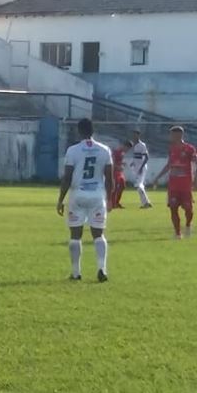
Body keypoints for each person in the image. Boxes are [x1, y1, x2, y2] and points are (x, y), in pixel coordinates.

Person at [56, 118, 113, 283]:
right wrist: (110, 199)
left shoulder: (73, 150)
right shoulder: (104, 150)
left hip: (78, 195)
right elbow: (109, 178)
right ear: (93, 131)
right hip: (97, 196)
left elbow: (67, 177)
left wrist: (60, 200)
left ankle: (76, 273)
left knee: (75, 235)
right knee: (98, 234)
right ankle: (102, 268)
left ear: (79, 131)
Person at [151, 126, 196, 239]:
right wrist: (158, 177)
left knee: (188, 209)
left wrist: (195, 181)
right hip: (173, 186)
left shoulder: (189, 148)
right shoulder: (171, 148)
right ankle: (177, 233)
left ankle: (188, 225)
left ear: (179, 135)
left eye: (172, 134)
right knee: (173, 208)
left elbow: (195, 162)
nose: (170, 137)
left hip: (185, 185)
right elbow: (169, 165)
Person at [129, 129, 153, 208]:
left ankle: (145, 203)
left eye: (135, 135)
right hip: (136, 168)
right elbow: (136, 156)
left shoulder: (142, 145)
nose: (134, 136)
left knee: (139, 186)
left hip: (141, 168)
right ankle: (146, 202)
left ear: (138, 135)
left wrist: (141, 167)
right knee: (139, 186)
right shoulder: (134, 145)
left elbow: (146, 157)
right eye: (133, 135)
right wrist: (133, 163)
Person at [111, 140, 132, 209]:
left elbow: (118, 162)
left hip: (119, 172)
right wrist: (118, 167)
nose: (128, 150)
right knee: (115, 188)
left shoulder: (122, 153)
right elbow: (111, 163)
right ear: (124, 146)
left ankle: (117, 202)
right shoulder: (116, 152)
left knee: (122, 186)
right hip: (114, 172)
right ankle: (112, 203)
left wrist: (122, 164)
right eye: (128, 148)